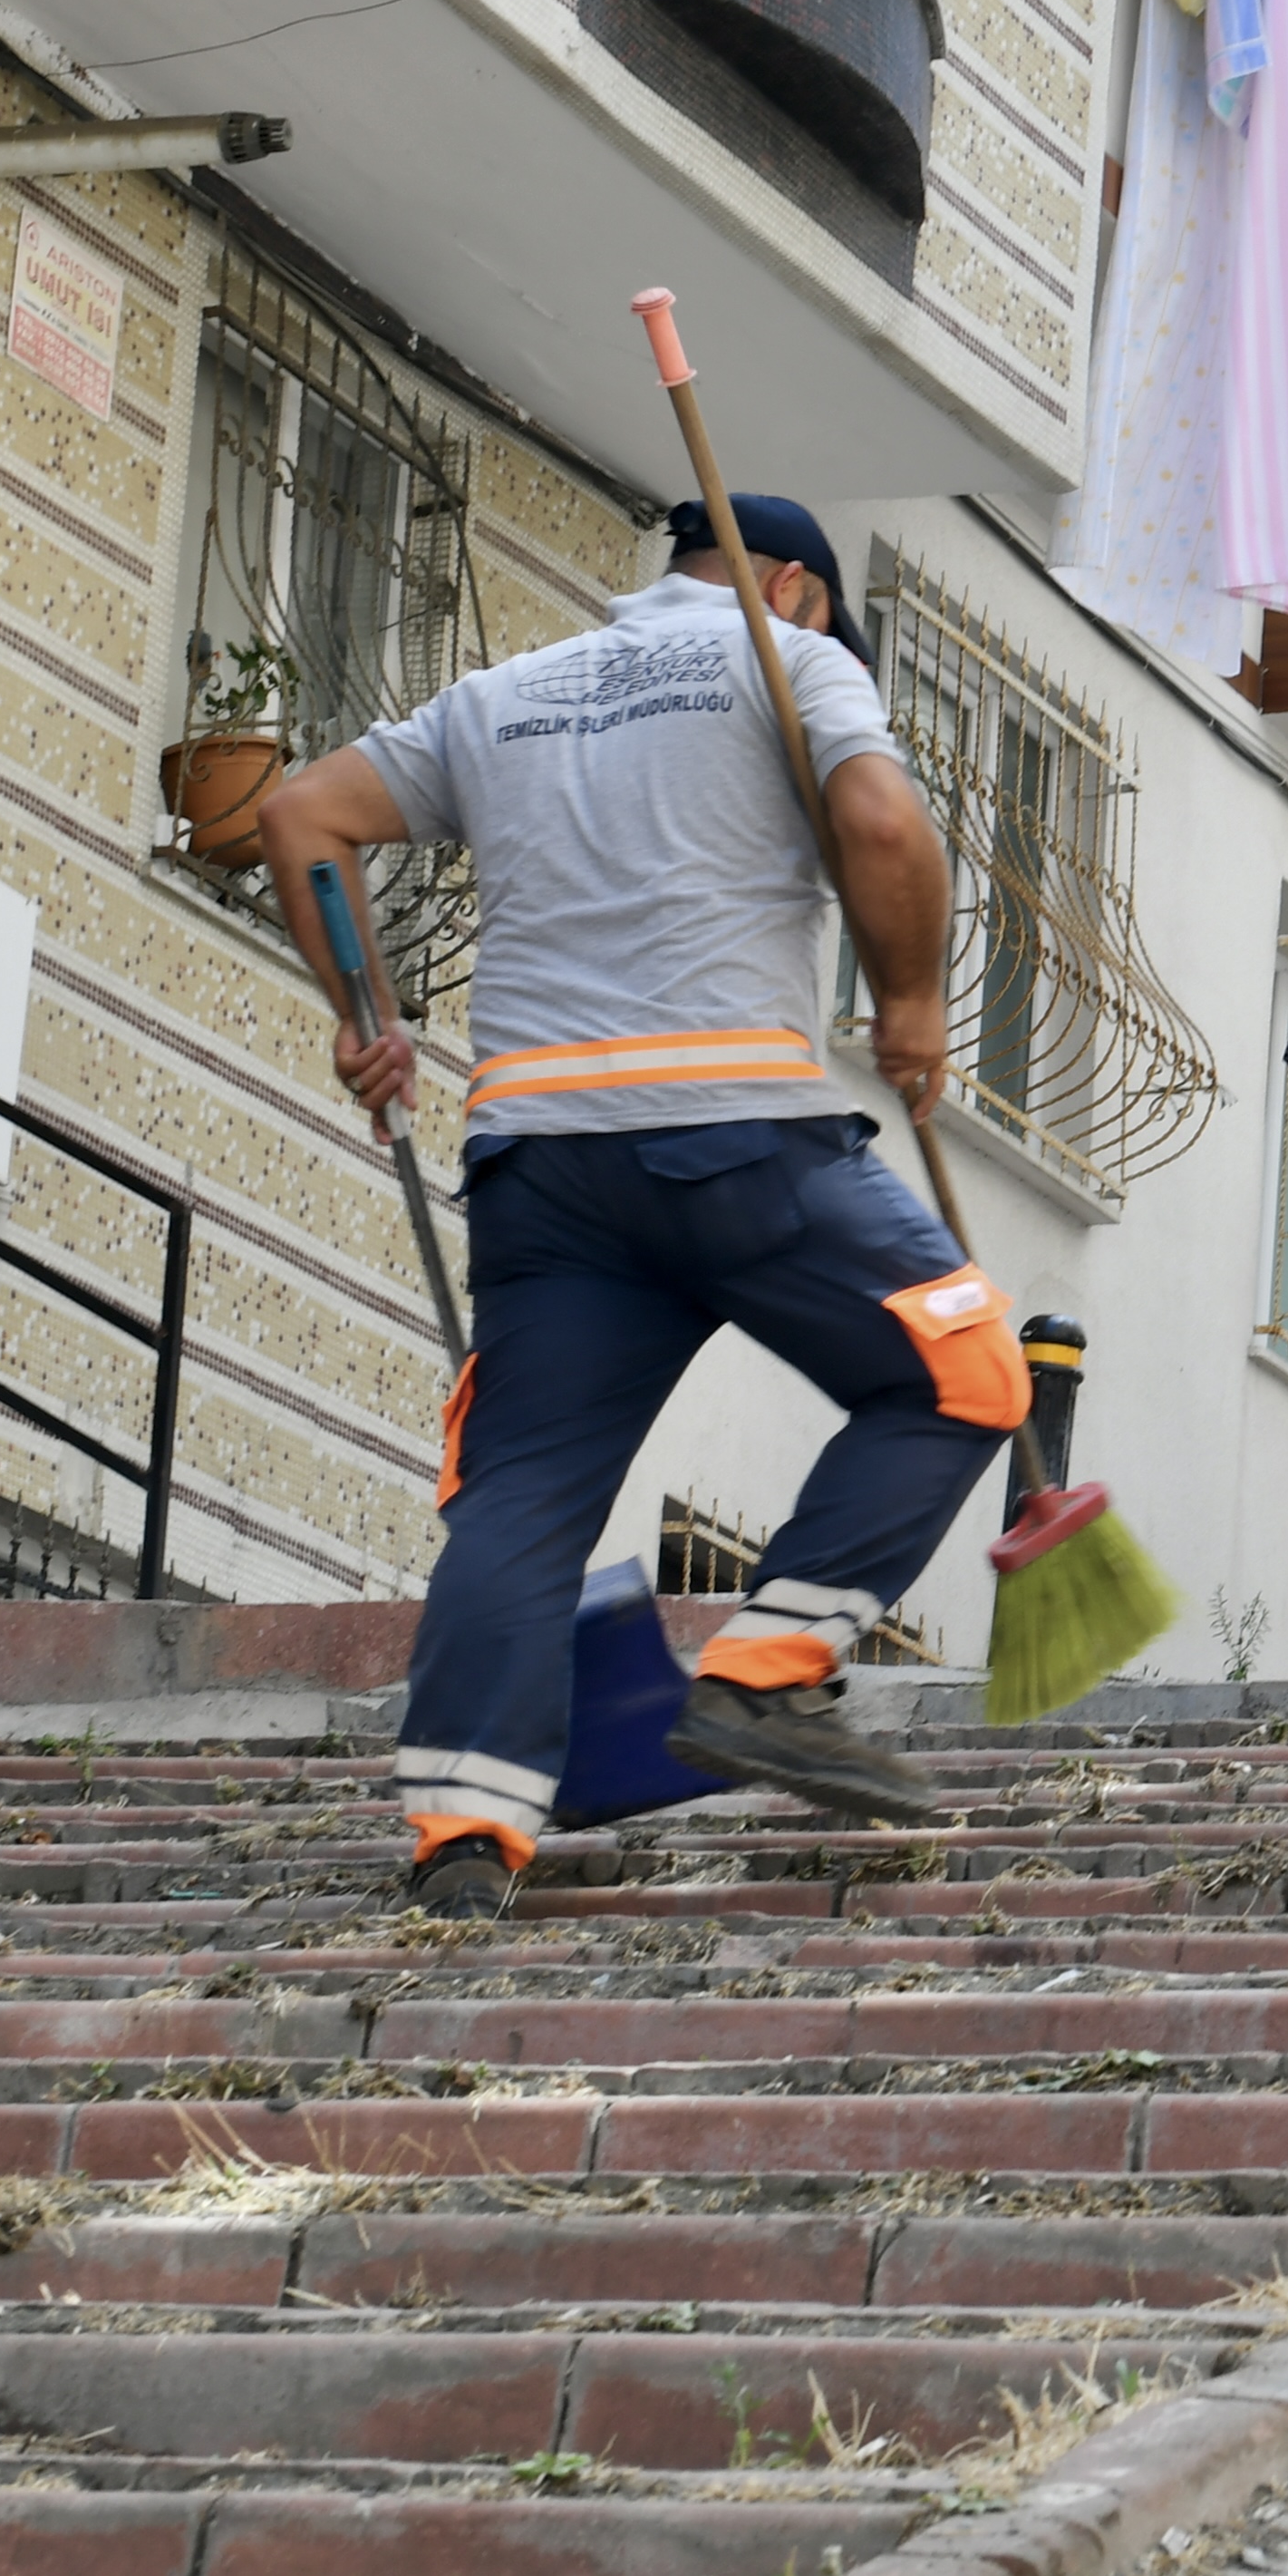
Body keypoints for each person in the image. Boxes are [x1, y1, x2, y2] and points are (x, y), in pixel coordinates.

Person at [254, 493, 1009, 1918]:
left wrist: (367, 1012)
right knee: (962, 1366)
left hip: (542, 1161)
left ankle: (462, 1834)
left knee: (521, 1494)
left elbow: (301, 813)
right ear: (794, 585)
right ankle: (766, 1672)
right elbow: (883, 824)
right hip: (736, 1137)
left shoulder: (505, 696)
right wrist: (909, 1005)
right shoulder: (790, 657)